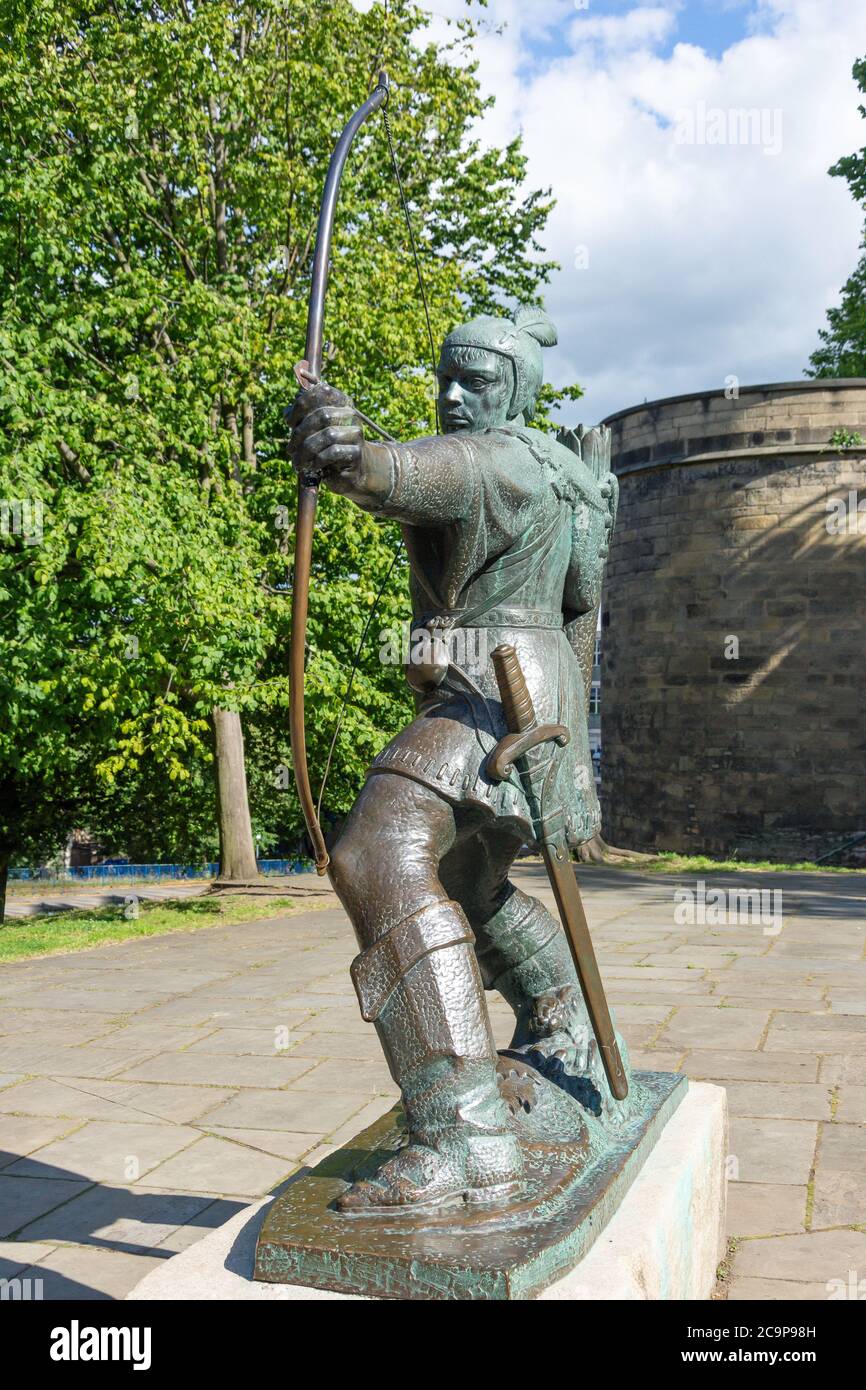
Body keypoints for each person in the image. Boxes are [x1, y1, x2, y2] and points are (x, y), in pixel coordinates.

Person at [287, 304, 624, 1211]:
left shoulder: (494, 459)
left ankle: (465, 1136)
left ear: (513, 389)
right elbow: (582, 594)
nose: (451, 394)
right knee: (469, 882)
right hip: (534, 691)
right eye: (446, 375)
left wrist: (345, 451)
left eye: (474, 381)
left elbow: (402, 472)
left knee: (377, 853)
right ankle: (562, 1020)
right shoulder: (562, 470)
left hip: (492, 690)